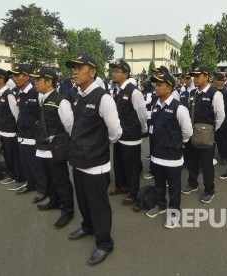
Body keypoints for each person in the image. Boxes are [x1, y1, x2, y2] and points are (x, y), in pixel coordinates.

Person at [65, 55, 122, 265]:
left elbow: (115, 131)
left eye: (80, 67)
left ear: (93, 72)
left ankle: (105, 243)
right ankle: (88, 226)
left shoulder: (103, 98)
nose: (75, 71)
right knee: (83, 200)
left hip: (96, 163)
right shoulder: (79, 95)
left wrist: (99, 145)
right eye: (74, 67)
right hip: (79, 160)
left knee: (99, 205)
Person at [146, 71, 193, 228]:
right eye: (156, 84)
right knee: (159, 183)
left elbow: (187, 131)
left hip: (172, 157)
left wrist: (179, 143)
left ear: (169, 88)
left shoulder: (178, 108)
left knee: (174, 187)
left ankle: (174, 213)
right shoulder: (155, 105)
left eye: (159, 85)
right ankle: (160, 205)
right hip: (156, 155)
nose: (156, 87)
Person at [31, 67, 75, 229]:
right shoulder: (41, 97)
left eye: (38, 79)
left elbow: (70, 126)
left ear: (49, 82)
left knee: (61, 180)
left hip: (56, 149)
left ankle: (67, 210)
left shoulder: (61, 101)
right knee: (49, 178)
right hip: (43, 147)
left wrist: (62, 143)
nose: (35, 82)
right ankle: (54, 201)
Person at [181, 66, 225, 204]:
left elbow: (220, 116)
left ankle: (209, 190)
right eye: (194, 76)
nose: (195, 78)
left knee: (206, 165)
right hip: (192, 133)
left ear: (206, 77)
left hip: (207, 135)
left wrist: (211, 131)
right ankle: (193, 183)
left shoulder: (215, 93)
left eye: (198, 75)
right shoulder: (193, 92)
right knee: (191, 161)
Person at [108, 59, 148, 204]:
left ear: (125, 74)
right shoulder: (118, 90)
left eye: (117, 71)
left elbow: (142, 114)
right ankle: (121, 186)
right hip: (119, 134)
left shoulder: (134, 92)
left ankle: (133, 191)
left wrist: (142, 130)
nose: (114, 73)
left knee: (131, 166)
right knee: (118, 162)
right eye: (113, 71)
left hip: (131, 135)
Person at [8, 66, 48, 203]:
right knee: (26, 164)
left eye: (17, 75)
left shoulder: (36, 92)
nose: (14, 78)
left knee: (36, 165)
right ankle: (31, 184)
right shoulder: (19, 93)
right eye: (13, 76)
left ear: (26, 77)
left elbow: (41, 116)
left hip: (33, 135)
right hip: (22, 134)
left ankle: (42, 189)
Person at [0, 68, 26, 189]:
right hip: (2, 129)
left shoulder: (9, 94)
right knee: (7, 155)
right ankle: (12, 174)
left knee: (14, 155)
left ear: (2, 80)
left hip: (10, 131)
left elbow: (16, 114)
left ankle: (20, 177)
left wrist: (17, 131)